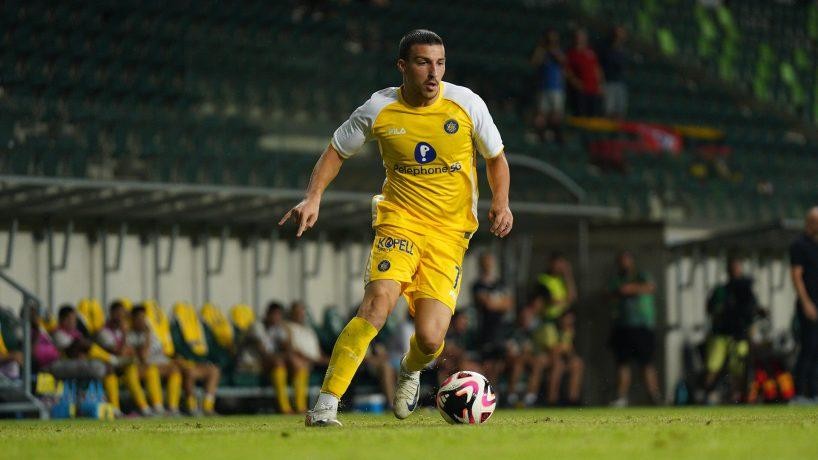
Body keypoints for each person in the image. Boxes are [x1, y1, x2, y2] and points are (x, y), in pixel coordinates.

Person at [279, 29, 513, 427]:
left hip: (449, 235)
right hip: (399, 222)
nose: (433, 73)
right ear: (402, 66)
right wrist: (313, 197)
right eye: (423, 63)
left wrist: (502, 203)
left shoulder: (467, 104)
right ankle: (326, 404)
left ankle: (410, 368)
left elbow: (496, 158)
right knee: (376, 306)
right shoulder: (379, 108)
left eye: (440, 63)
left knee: (431, 339)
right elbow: (336, 151)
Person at [702, 257, 759, 404]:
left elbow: (752, 311)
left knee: (738, 368)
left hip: (739, 333)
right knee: (713, 365)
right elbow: (711, 309)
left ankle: (736, 397)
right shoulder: (721, 290)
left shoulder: (746, 290)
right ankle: (707, 395)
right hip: (721, 333)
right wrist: (722, 312)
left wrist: (750, 328)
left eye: (737, 268)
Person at [608, 251, 662, 406]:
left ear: (632, 261)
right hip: (622, 326)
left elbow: (651, 287)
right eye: (621, 261)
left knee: (647, 363)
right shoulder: (616, 279)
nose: (624, 263)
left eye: (626, 260)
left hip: (642, 326)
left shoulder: (641, 276)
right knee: (622, 364)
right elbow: (608, 294)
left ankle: (654, 396)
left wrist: (631, 288)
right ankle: (621, 397)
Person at [51, 305, 125, 415]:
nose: (74, 322)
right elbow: (71, 353)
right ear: (63, 319)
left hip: (79, 363)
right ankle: (110, 358)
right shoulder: (58, 334)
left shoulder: (76, 333)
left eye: (75, 319)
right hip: (62, 365)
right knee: (84, 346)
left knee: (109, 369)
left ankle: (115, 408)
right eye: (71, 319)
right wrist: (81, 348)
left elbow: (82, 353)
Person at [97, 301, 153, 416]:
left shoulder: (123, 331)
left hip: (123, 367)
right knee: (112, 374)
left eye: (123, 314)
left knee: (135, 371)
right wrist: (124, 334)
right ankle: (115, 409)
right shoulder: (104, 332)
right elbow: (120, 352)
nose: (121, 317)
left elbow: (133, 353)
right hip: (108, 367)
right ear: (111, 314)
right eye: (118, 314)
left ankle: (145, 408)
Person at [127, 305, 184, 416]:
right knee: (152, 370)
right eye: (139, 318)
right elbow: (143, 356)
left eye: (144, 317)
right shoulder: (131, 335)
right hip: (144, 366)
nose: (143, 321)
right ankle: (155, 407)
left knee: (175, 370)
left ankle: (173, 408)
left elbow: (160, 350)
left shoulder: (151, 332)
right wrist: (147, 335)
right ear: (133, 319)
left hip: (158, 362)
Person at [472, 252, 515, 390]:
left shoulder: (500, 283)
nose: (488, 265)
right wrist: (499, 302)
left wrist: (494, 302)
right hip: (486, 330)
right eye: (485, 262)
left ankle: (497, 392)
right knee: (487, 364)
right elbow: (487, 304)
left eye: (490, 261)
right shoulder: (478, 285)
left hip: (500, 330)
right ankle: (487, 391)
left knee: (500, 362)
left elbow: (509, 304)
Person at [790, 207, 818, 404]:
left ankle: (815, 393)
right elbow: (796, 275)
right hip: (808, 303)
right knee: (808, 347)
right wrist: (806, 302)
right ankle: (800, 392)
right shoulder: (799, 245)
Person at [247, 302, 296, 414]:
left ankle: (300, 407)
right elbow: (263, 353)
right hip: (250, 363)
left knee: (296, 362)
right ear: (267, 314)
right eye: (274, 314)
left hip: (267, 363)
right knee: (278, 362)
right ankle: (284, 408)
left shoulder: (277, 328)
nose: (276, 318)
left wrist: (287, 330)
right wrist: (283, 357)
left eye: (279, 315)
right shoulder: (257, 326)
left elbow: (288, 348)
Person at [530, 29, 568, 143]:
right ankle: (541, 136)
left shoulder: (559, 50)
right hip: (544, 86)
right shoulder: (542, 51)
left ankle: (556, 137)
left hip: (557, 87)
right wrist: (542, 49)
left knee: (556, 115)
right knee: (541, 115)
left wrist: (554, 51)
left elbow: (564, 62)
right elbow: (534, 62)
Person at [287, 301, 326, 413]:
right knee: (301, 366)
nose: (301, 315)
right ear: (292, 313)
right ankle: (300, 407)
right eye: (298, 312)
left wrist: (326, 359)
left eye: (302, 312)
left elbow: (318, 350)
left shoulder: (309, 330)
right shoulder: (288, 327)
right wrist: (310, 360)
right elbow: (292, 348)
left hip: (317, 361)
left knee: (337, 367)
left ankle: (335, 405)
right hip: (304, 361)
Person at [506, 305, 549, 407]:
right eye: (524, 317)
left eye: (529, 317)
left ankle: (530, 398)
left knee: (537, 364)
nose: (526, 319)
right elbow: (509, 350)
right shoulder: (512, 331)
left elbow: (538, 351)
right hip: (513, 360)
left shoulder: (535, 332)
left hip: (529, 360)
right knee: (518, 363)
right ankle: (511, 397)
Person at [566, 28, 604, 117]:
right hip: (580, 90)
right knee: (581, 115)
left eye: (582, 36)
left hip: (594, 89)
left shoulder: (591, 52)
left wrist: (600, 84)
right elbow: (567, 70)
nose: (580, 39)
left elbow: (597, 68)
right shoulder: (571, 53)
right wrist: (575, 82)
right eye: (578, 36)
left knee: (594, 116)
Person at [599, 26, 629, 118]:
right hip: (609, 82)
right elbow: (600, 67)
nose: (621, 35)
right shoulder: (606, 49)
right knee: (608, 110)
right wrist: (601, 82)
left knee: (620, 111)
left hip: (620, 83)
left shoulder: (624, 50)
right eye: (619, 33)